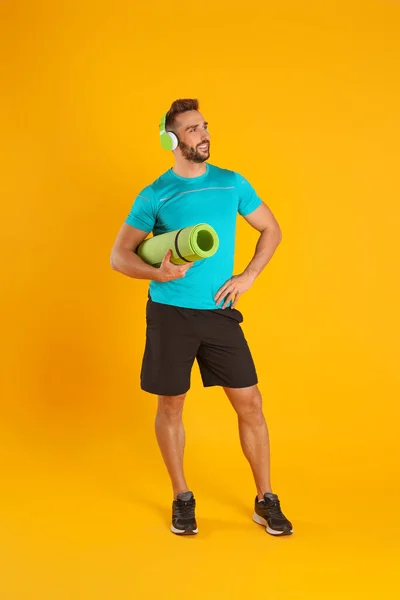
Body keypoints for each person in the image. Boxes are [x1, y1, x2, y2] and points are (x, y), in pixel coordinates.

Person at [110, 99, 293, 537]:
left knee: (250, 404)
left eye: (205, 126)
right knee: (171, 405)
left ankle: (266, 498)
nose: (204, 134)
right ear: (171, 140)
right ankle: (182, 496)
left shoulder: (231, 184)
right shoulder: (154, 194)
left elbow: (272, 228)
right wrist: (158, 271)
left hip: (219, 315)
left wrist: (248, 276)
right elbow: (119, 257)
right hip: (170, 314)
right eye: (193, 129)